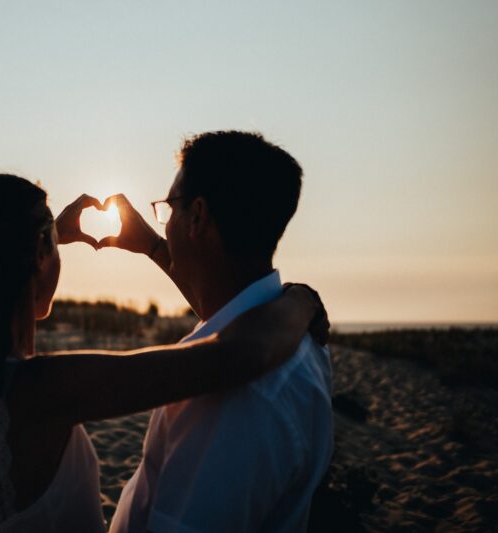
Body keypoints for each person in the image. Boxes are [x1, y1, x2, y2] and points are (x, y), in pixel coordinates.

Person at [0, 172, 328, 532]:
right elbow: (234, 353)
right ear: (38, 253)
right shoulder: (44, 391)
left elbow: (217, 317)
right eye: (52, 242)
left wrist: (144, 245)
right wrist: (300, 299)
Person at [101, 131, 334, 532]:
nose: (165, 222)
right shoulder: (296, 336)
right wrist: (152, 247)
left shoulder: (228, 397)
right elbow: (218, 308)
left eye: (168, 208)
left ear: (198, 216)